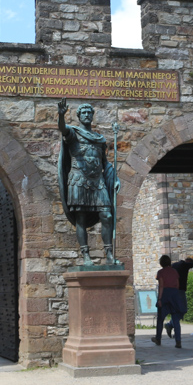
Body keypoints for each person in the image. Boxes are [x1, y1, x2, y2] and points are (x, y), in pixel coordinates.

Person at [57, 99, 120, 266]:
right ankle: (85, 255)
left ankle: (109, 254)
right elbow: (63, 129)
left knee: (106, 215)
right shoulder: (73, 133)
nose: (86, 115)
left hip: (97, 181)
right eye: (83, 113)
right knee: (81, 219)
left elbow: (105, 162)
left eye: (89, 113)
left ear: (92, 116)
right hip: (78, 179)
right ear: (79, 116)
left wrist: (115, 178)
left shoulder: (99, 138)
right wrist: (61, 116)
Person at [164, 252, 193, 339]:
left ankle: (171, 326)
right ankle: (170, 325)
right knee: (183, 310)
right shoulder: (185, 265)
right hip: (179, 291)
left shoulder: (174, 265)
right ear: (188, 262)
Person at [152, 255, 185, 348]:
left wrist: (159, 299)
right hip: (174, 294)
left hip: (165, 294)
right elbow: (177, 285)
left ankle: (158, 338)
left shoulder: (160, 272)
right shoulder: (174, 271)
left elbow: (161, 285)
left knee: (160, 319)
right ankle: (178, 341)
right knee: (175, 319)